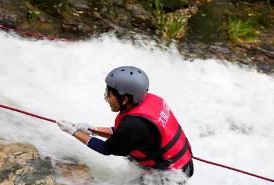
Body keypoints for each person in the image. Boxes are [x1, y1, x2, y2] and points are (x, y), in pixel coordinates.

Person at [57, 66, 194, 178]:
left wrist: (72, 131)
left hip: (170, 177)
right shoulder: (148, 102)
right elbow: (124, 134)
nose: (107, 98)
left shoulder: (134, 124)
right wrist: (92, 129)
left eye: (109, 95)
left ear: (125, 99)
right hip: (181, 165)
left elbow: (106, 149)